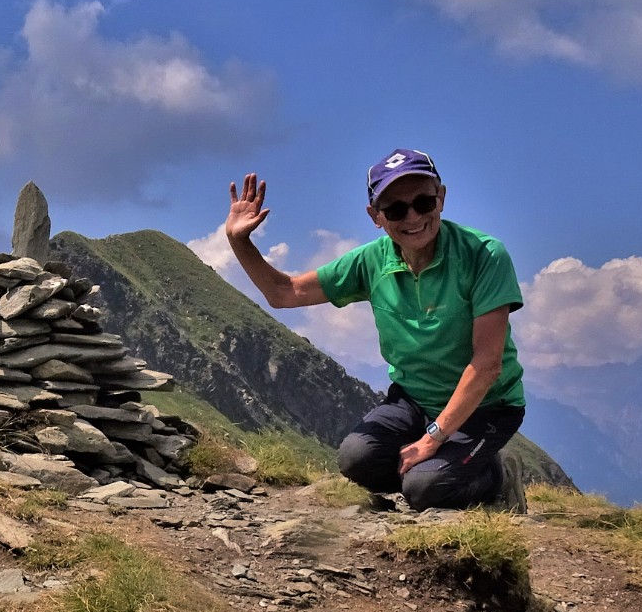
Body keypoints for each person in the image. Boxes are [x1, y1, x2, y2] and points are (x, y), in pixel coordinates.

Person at [226, 148, 528, 512]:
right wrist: (239, 242)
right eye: (396, 209)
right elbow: (284, 293)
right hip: (415, 398)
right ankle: (451, 468)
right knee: (356, 460)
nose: (413, 217)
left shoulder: (484, 255)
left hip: (489, 406)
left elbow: (488, 363)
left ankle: (495, 476)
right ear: (376, 216)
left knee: (423, 489)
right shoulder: (372, 261)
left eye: (423, 201)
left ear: (442, 198)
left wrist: (432, 439)